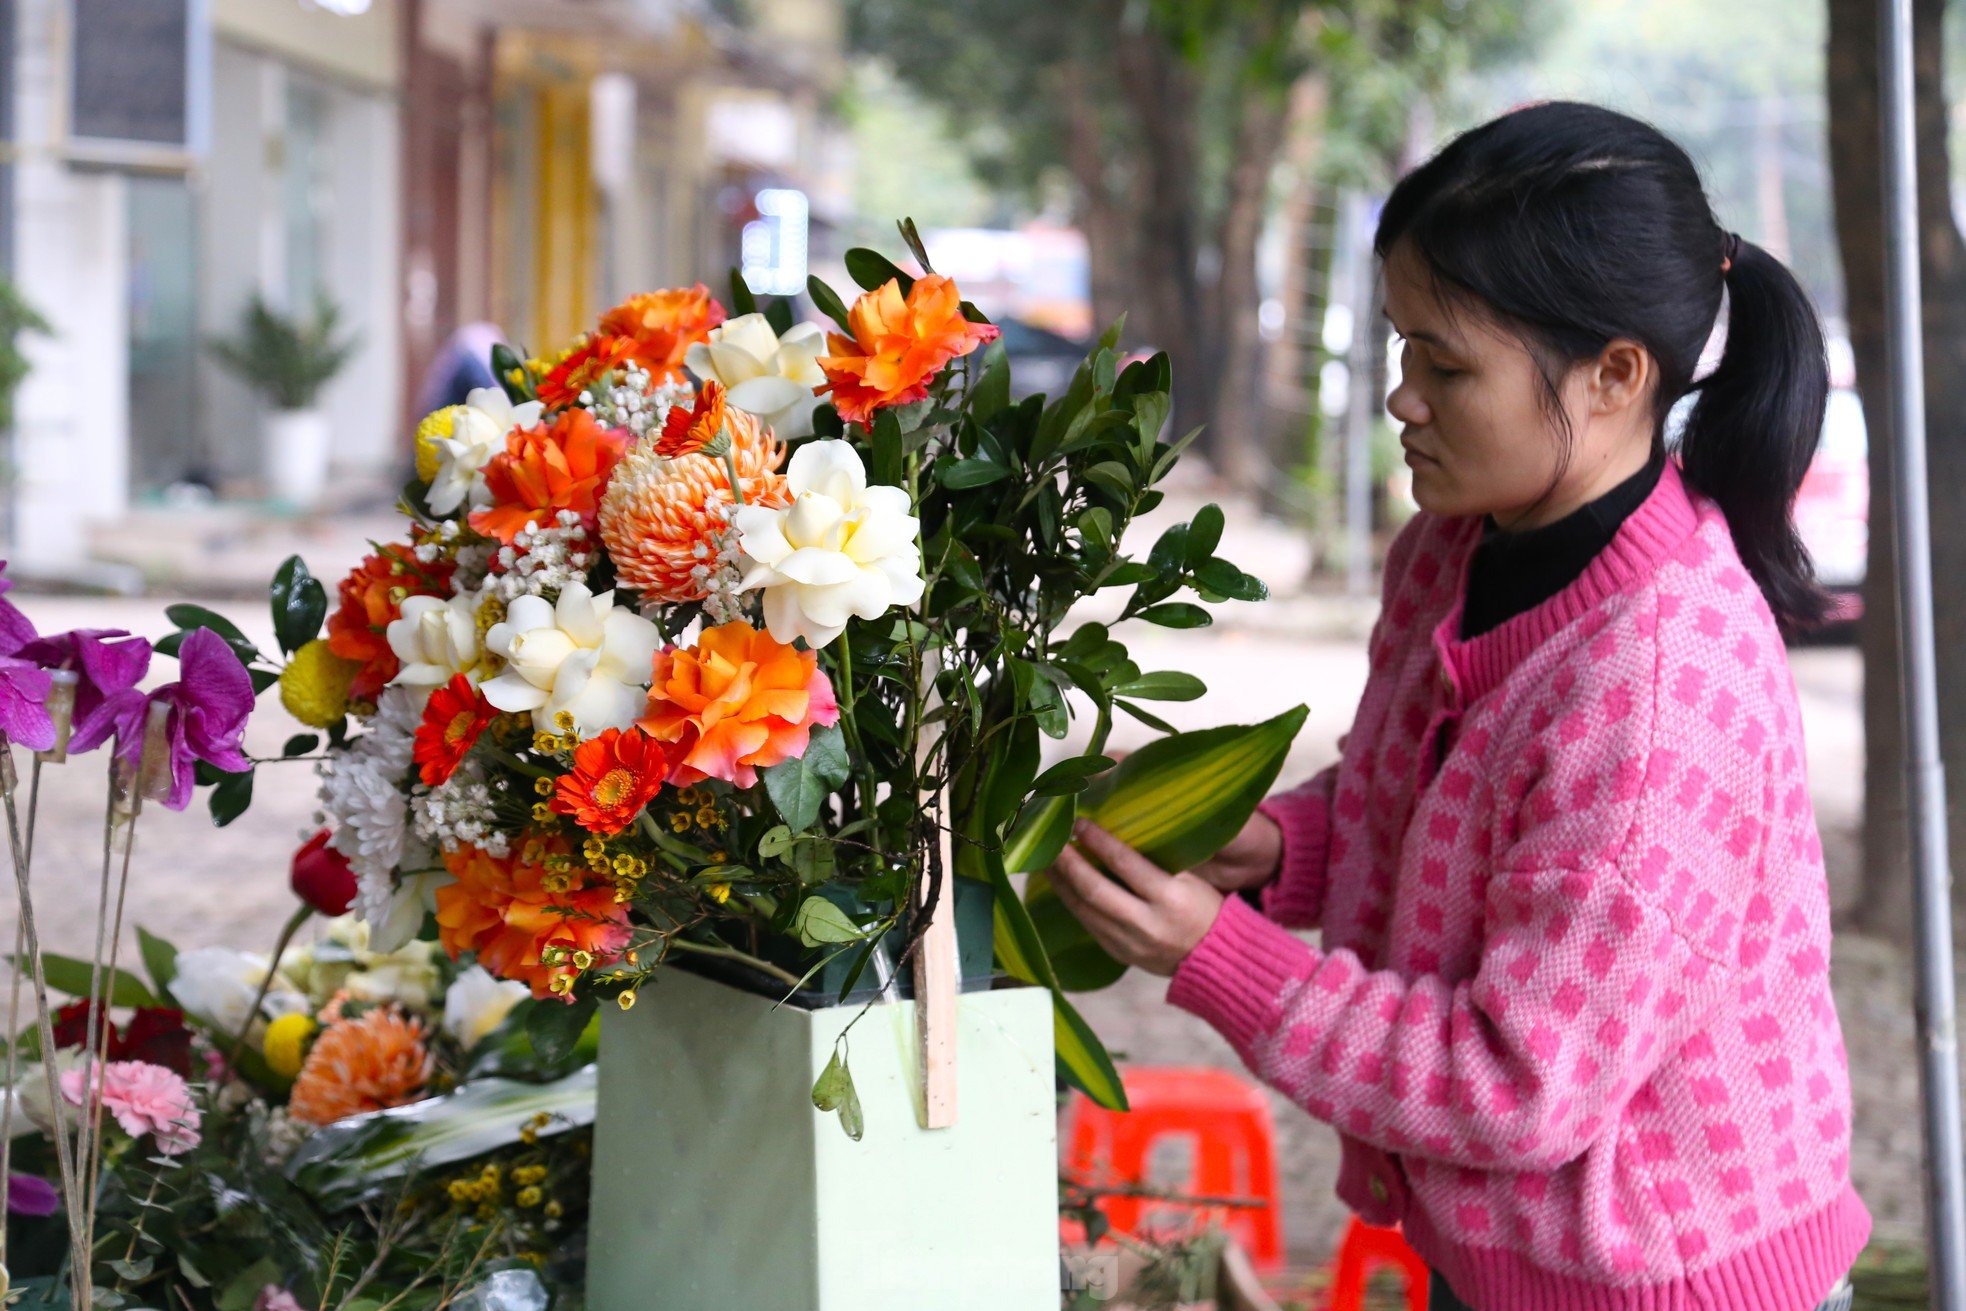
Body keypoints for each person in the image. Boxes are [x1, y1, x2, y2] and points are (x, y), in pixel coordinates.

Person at [1046, 101, 1868, 1311]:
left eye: (1448, 365)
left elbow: (1517, 1082)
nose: (1402, 400)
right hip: (1492, 1262)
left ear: (1616, 375)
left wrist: (1218, 956)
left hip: (1665, 1285)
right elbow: (1435, 807)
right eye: (1400, 350)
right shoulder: (1450, 549)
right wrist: (1283, 847)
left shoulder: (1653, 691)